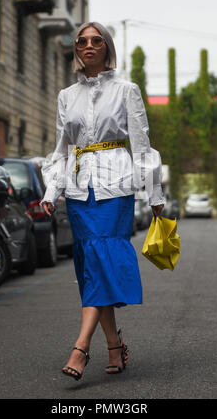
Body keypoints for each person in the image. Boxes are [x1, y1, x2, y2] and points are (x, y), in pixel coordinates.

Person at [41, 21, 165, 381]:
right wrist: (52, 191)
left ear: (107, 48)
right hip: (80, 190)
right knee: (92, 265)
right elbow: (61, 149)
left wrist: (153, 193)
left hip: (115, 187)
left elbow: (141, 145)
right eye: (82, 41)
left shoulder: (127, 90)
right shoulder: (66, 96)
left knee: (102, 257)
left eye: (96, 40)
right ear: (77, 50)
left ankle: (81, 348)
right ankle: (115, 346)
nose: (89, 45)